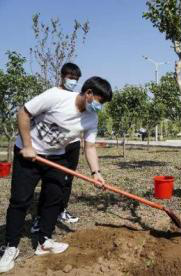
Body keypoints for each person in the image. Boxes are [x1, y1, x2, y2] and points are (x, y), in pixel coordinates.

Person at [0, 77, 112, 273]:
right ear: (88, 94)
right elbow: (24, 113)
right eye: (99, 101)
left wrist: (96, 172)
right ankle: (11, 247)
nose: (99, 106)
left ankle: (44, 240)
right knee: (20, 200)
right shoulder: (56, 96)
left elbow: (91, 146)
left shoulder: (91, 118)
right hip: (28, 153)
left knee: (54, 197)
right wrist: (27, 146)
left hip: (56, 157)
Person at [31, 63, 82, 234]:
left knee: (67, 180)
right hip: (53, 147)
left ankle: (61, 210)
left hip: (72, 145)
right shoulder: (51, 95)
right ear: (62, 76)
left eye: (76, 78)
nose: (73, 81)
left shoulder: (77, 97)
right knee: (50, 181)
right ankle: (39, 217)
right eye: (70, 77)